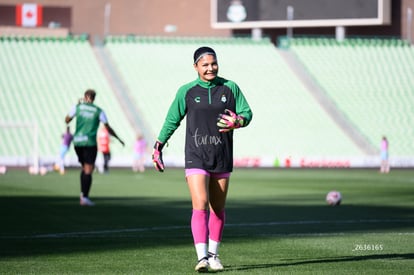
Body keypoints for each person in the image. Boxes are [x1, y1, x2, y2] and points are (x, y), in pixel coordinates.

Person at [152, 46, 253, 272]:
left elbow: (247, 113)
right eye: (205, 64)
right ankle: (201, 258)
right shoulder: (186, 91)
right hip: (196, 155)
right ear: (195, 66)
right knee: (200, 204)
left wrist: (239, 121)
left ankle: (213, 255)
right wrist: (158, 145)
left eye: (213, 63)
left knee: (218, 208)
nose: (210, 68)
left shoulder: (230, 87)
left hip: (222, 155)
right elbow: (172, 120)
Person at [65, 89, 125, 206]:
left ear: (85, 96)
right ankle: (85, 197)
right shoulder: (99, 111)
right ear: (93, 98)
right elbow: (107, 127)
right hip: (89, 143)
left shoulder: (77, 107)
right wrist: (118, 138)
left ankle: (83, 195)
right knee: (89, 170)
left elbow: (67, 120)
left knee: (85, 168)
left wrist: (78, 106)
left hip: (77, 142)